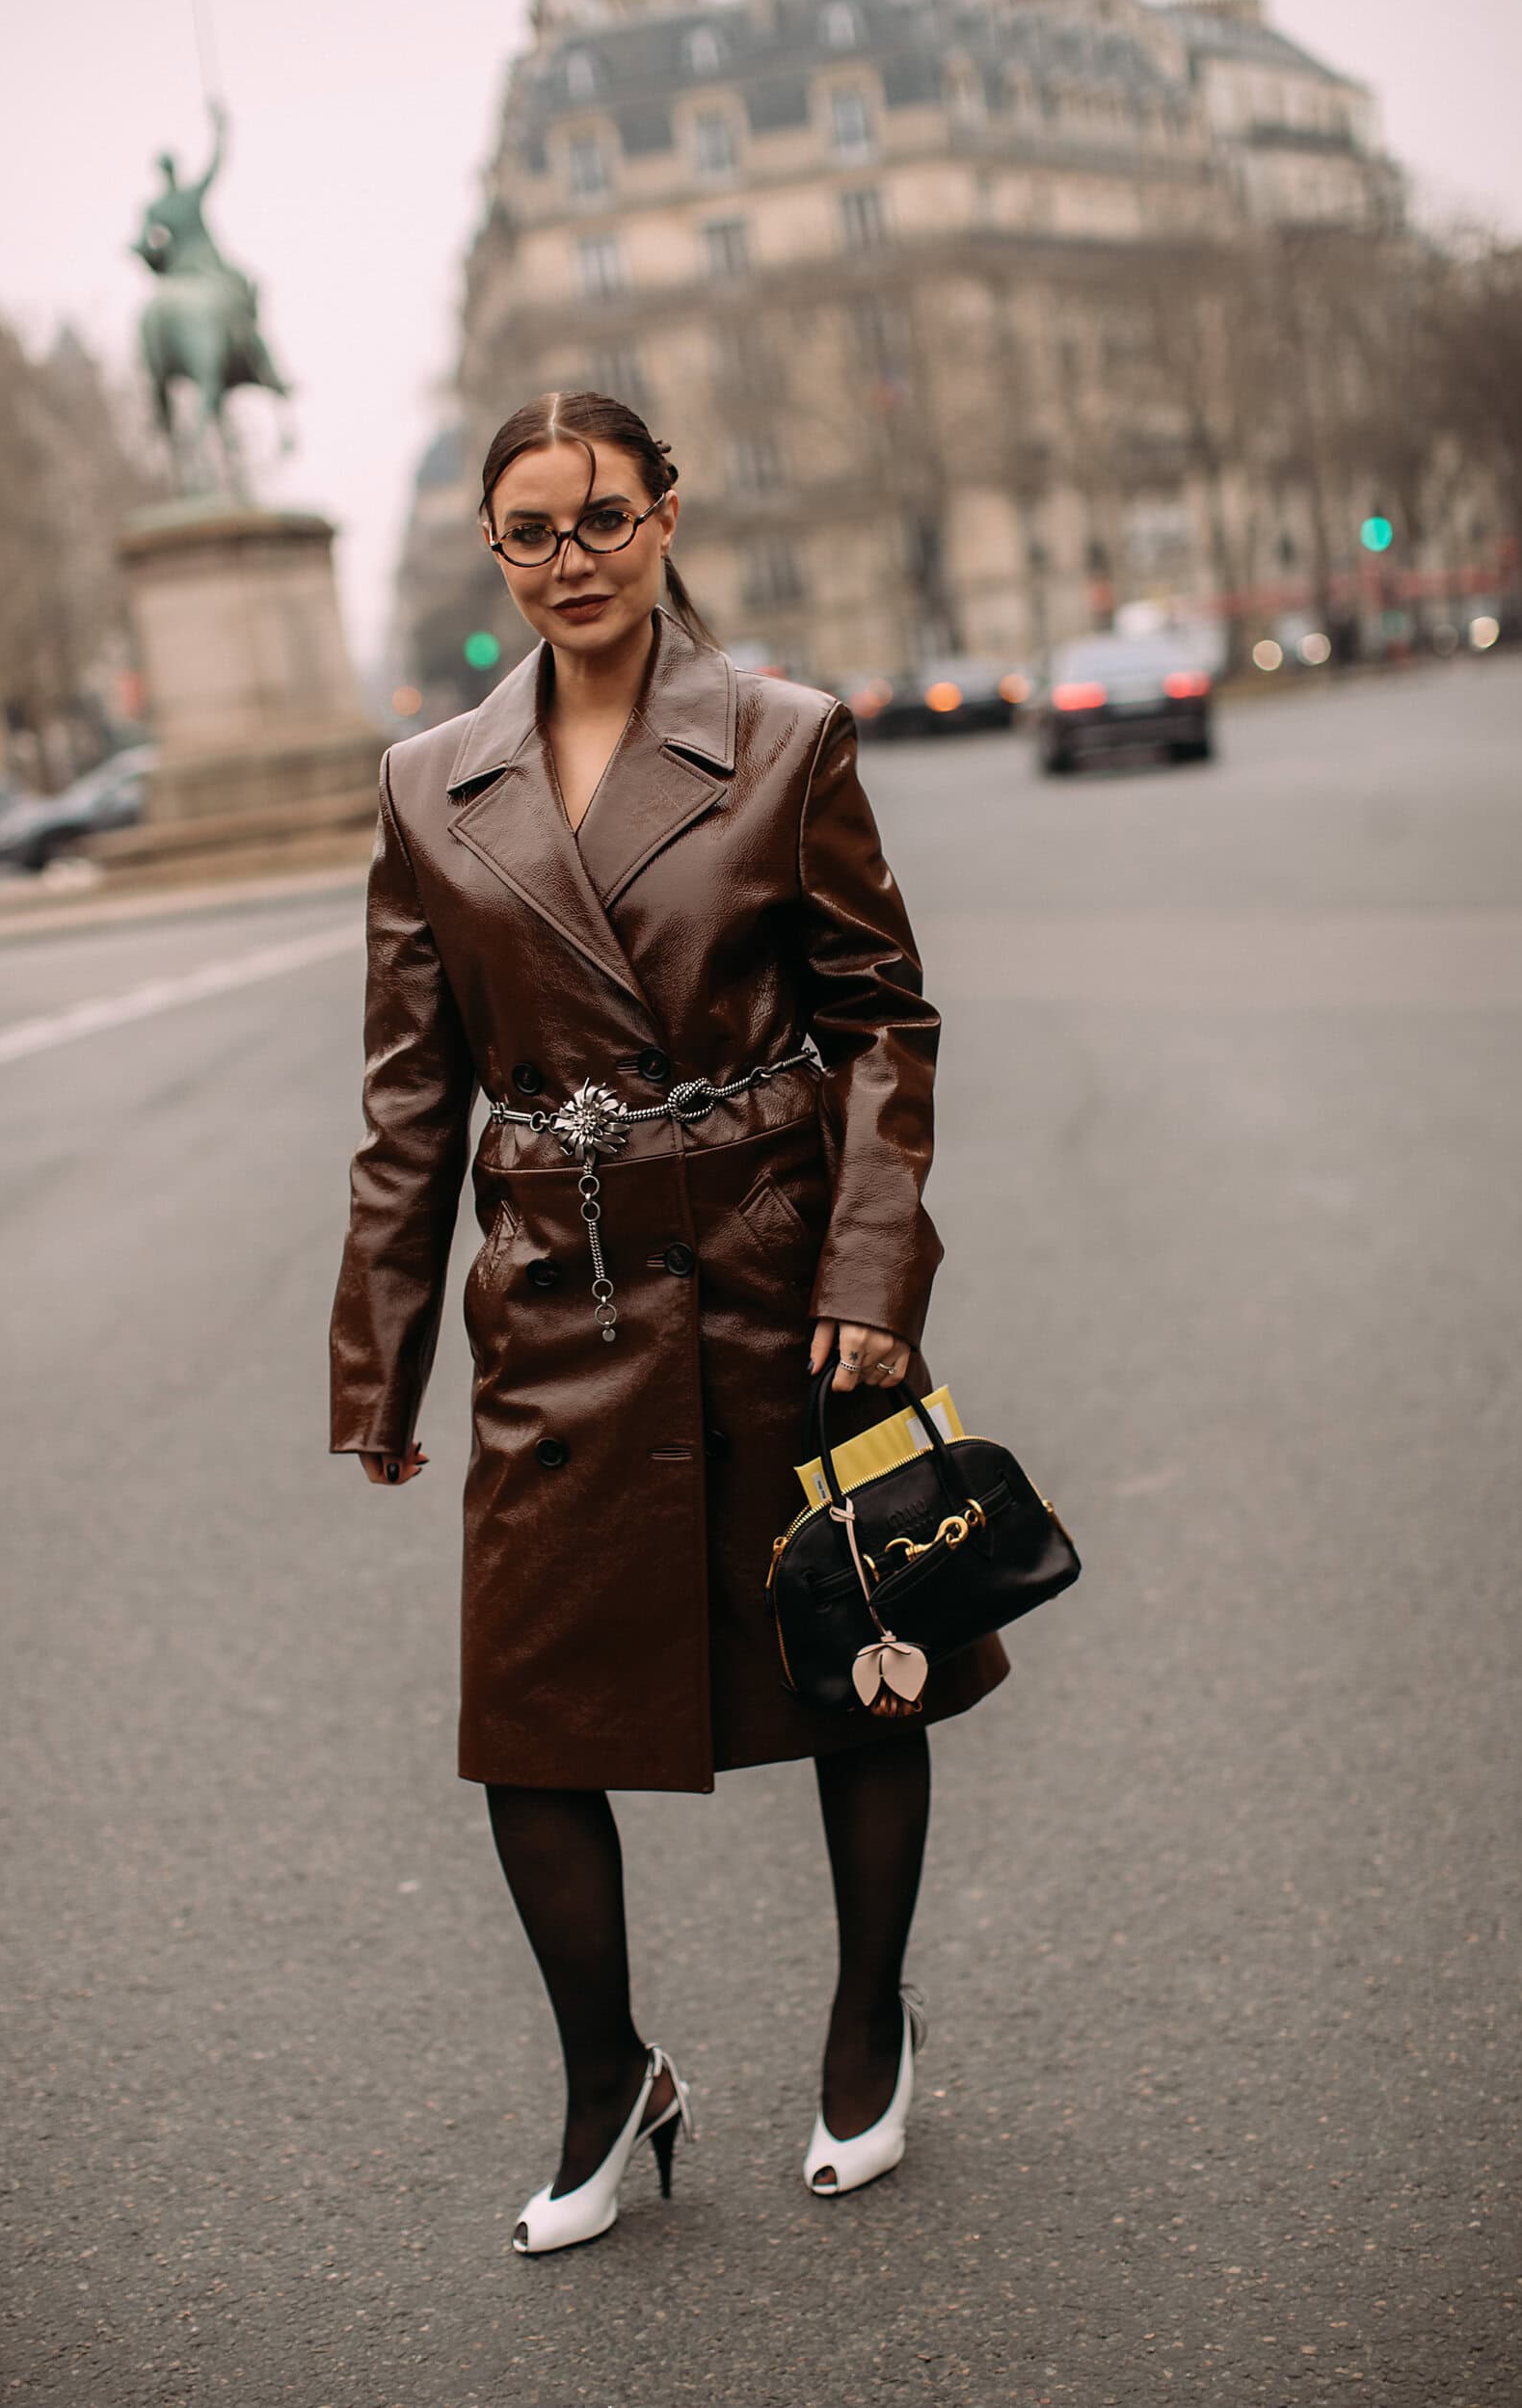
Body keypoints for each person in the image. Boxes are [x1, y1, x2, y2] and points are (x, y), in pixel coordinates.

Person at [327, 390, 1011, 2255]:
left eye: (603, 519)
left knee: (860, 1654)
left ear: (663, 515)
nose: (572, 560)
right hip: (556, 1301)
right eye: (532, 533)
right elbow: (412, 1095)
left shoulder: (785, 741)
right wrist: (381, 1358)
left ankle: (867, 2023)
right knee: (527, 1727)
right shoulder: (426, 784)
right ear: (495, 552)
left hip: (782, 1285)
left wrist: (876, 1274)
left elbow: (883, 1021)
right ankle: (604, 2069)